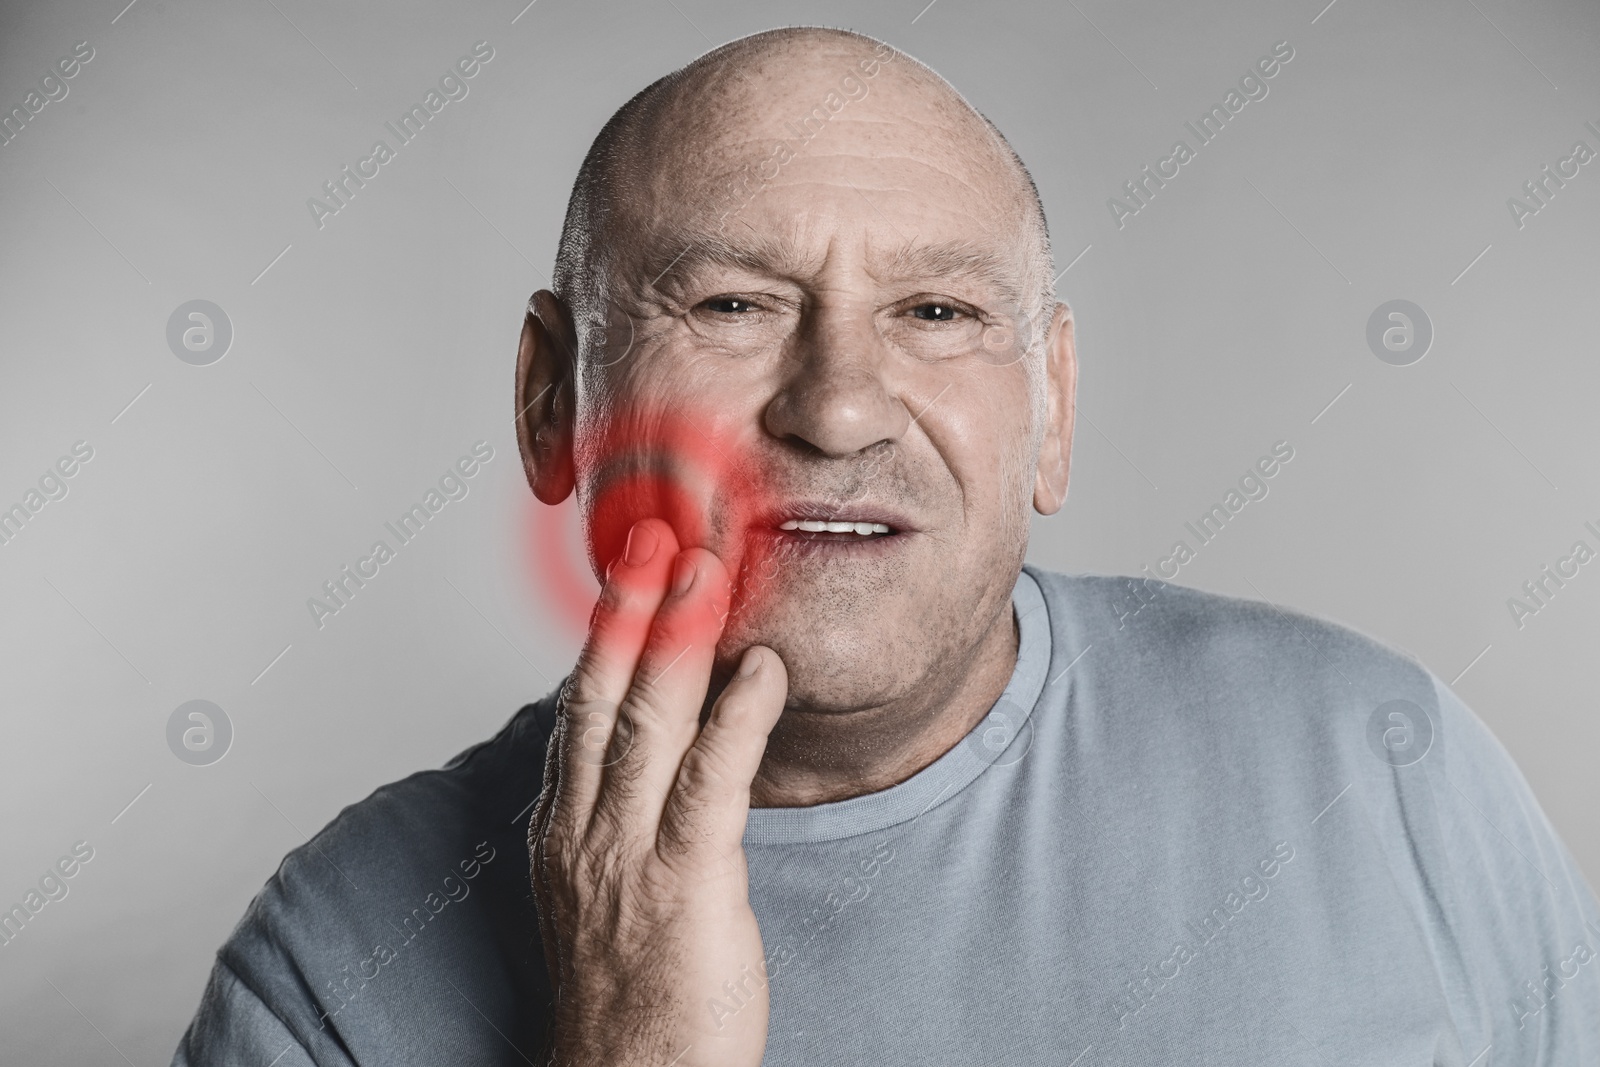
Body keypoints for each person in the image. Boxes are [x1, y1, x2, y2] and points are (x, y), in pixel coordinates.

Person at [173, 26, 1600, 1066]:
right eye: (732, 304)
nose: (840, 405)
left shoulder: (1387, 766)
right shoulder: (331, 974)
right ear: (555, 399)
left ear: (1052, 413)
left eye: (937, 314)